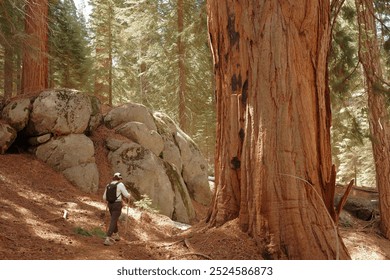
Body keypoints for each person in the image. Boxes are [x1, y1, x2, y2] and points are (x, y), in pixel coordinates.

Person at [102, 172, 132, 246]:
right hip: (117, 205)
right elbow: (126, 195)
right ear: (119, 179)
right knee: (113, 220)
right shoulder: (120, 185)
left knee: (113, 219)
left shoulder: (108, 185)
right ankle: (107, 238)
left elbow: (104, 198)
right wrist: (129, 195)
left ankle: (116, 235)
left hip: (110, 205)